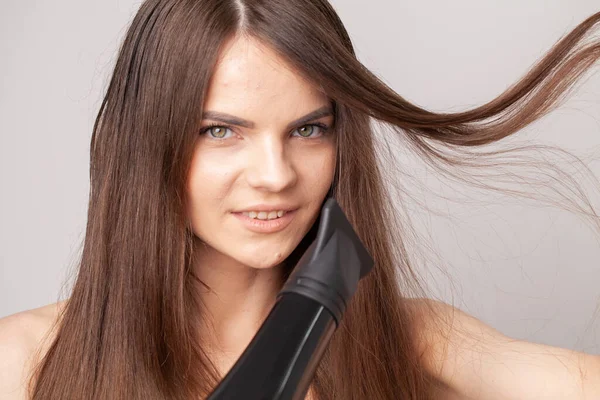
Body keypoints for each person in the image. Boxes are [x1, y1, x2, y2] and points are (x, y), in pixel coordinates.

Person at [1, 0, 599, 399]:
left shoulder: (414, 341)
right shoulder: (23, 363)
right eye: (220, 130)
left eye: (308, 129)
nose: (275, 174)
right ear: (147, 143)